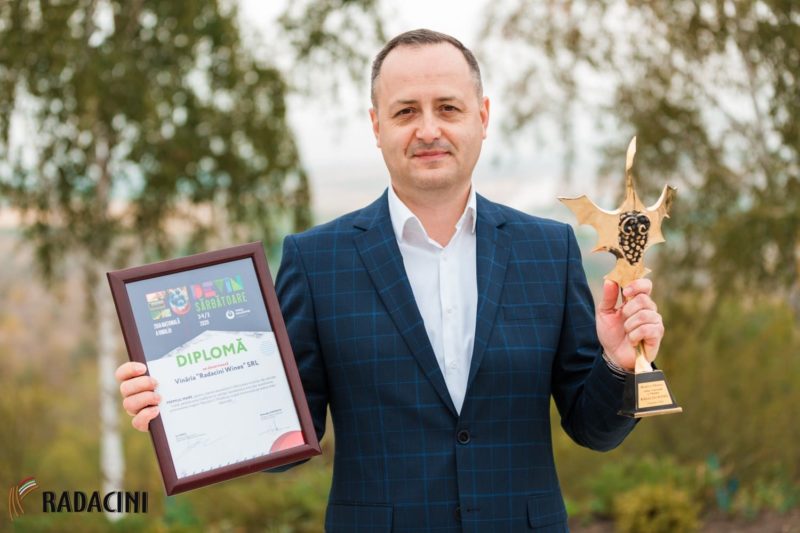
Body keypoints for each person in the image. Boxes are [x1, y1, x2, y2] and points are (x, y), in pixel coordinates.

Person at [116, 29, 664, 532]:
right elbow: (286, 440)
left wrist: (619, 363)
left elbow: (593, 430)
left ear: (482, 116)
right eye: (405, 111)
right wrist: (183, 402)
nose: (428, 130)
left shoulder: (549, 250)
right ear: (377, 126)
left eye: (448, 107)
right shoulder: (315, 261)